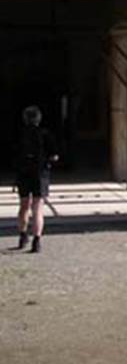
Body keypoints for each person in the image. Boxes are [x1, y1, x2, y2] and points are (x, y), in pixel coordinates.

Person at [13, 106, 58, 253]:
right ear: (39, 119)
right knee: (38, 207)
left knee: (24, 206)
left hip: (23, 172)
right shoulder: (45, 134)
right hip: (40, 173)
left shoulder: (19, 135)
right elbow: (55, 155)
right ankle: (36, 241)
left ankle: (22, 235)